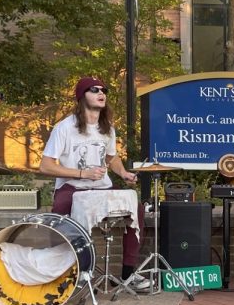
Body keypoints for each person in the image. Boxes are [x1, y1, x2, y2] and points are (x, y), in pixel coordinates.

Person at [39, 76, 153, 291]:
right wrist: (83, 173)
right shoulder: (64, 128)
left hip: (101, 187)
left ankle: (128, 274)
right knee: (59, 213)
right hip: (72, 188)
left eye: (104, 90)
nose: (101, 93)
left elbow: (111, 157)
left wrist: (123, 173)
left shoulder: (107, 128)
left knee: (135, 211)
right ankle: (65, 273)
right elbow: (45, 166)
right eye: (94, 89)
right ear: (82, 96)